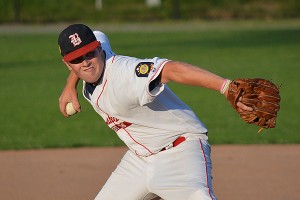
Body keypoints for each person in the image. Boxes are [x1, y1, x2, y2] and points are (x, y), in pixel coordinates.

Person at [58, 24, 251, 200]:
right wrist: (70, 84)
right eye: (76, 59)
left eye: (89, 54)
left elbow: (172, 70)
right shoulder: (93, 54)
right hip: (138, 160)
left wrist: (225, 87)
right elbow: (95, 38)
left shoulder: (125, 73)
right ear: (67, 64)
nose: (85, 63)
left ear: (99, 48)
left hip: (179, 151)